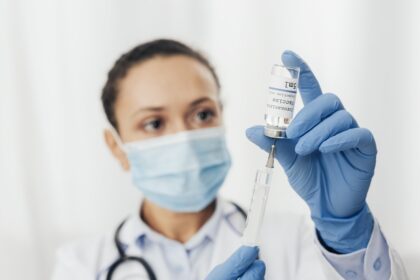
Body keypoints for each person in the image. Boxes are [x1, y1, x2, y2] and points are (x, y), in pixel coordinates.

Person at [52, 39, 408, 279]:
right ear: (117, 148)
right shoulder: (82, 265)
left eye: (202, 115)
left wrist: (346, 231)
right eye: (154, 123)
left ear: (222, 116)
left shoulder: (295, 240)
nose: (186, 138)